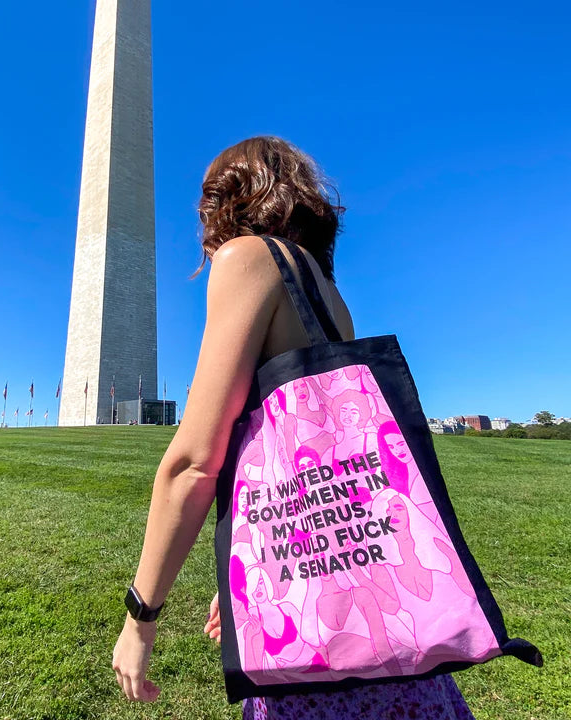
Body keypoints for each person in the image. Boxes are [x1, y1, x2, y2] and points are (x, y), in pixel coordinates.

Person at [112, 136, 475, 718]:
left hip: (318, 671)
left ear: (228, 197)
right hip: (381, 644)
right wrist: (274, 560)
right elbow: (332, 468)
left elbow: (194, 462)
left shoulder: (247, 259)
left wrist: (141, 616)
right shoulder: (329, 294)